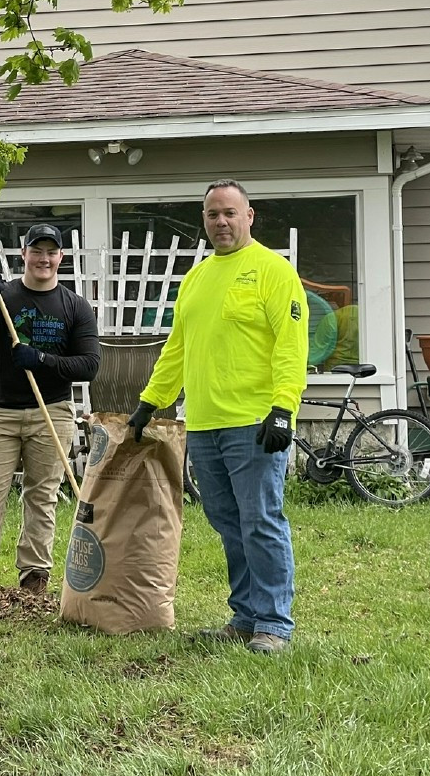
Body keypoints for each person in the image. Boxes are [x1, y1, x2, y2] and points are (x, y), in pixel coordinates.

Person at [128, 180, 308, 655]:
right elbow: (178, 349)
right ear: (204, 220)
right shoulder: (197, 278)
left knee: (261, 521)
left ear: (250, 216)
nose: (221, 222)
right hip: (203, 423)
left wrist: (284, 408)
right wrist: (151, 401)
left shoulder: (273, 271)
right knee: (227, 520)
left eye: (231, 213)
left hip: (254, 421)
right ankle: (245, 616)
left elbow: (291, 348)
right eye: (213, 215)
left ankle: (274, 623)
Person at [0, 225, 99, 595]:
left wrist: (41, 359)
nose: (44, 259)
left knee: (42, 496)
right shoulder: (5, 297)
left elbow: (89, 365)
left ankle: (34, 578)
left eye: (52, 253)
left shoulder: (75, 306)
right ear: (24, 254)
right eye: (38, 251)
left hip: (52, 411)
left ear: (61, 259)